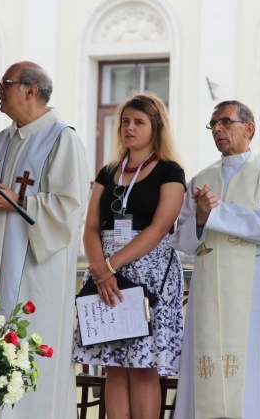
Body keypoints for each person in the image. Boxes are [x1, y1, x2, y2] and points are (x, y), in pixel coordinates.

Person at [0, 61, 90, 419]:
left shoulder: (62, 138)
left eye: (5, 84)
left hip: (36, 273)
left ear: (31, 91)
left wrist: (16, 200)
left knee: (28, 349)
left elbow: (70, 207)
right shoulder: (4, 140)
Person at [172, 99, 260, 418]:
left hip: (249, 285)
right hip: (207, 284)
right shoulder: (200, 178)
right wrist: (199, 217)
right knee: (204, 366)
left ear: (248, 128)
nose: (218, 130)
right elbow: (181, 240)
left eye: (225, 122)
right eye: (214, 125)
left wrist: (217, 212)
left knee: (252, 370)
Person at [72, 93, 186, 418]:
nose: (129, 128)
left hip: (148, 273)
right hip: (105, 274)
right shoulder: (108, 172)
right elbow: (91, 226)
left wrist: (110, 265)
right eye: (125, 121)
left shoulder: (170, 171)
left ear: (156, 127)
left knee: (142, 365)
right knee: (113, 365)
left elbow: (161, 227)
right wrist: (101, 270)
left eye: (139, 122)